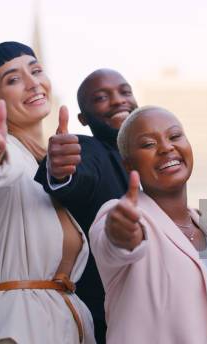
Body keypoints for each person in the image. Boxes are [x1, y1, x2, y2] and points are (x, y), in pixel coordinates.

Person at [89, 106, 207, 344]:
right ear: (129, 165)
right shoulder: (122, 217)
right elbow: (112, 243)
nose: (166, 147)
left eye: (175, 136)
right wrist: (122, 234)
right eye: (148, 144)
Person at [0, 41, 95, 343]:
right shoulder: (6, 153)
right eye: (13, 79)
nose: (32, 83)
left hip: (67, 320)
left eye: (35, 71)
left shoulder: (56, 162)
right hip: (16, 326)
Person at [34, 68, 138, 342]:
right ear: (83, 118)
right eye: (102, 97)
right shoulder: (89, 149)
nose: (118, 100)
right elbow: (75, 173)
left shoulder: (150, 157)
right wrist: (61, 172)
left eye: (125, 92)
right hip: (110, 319)